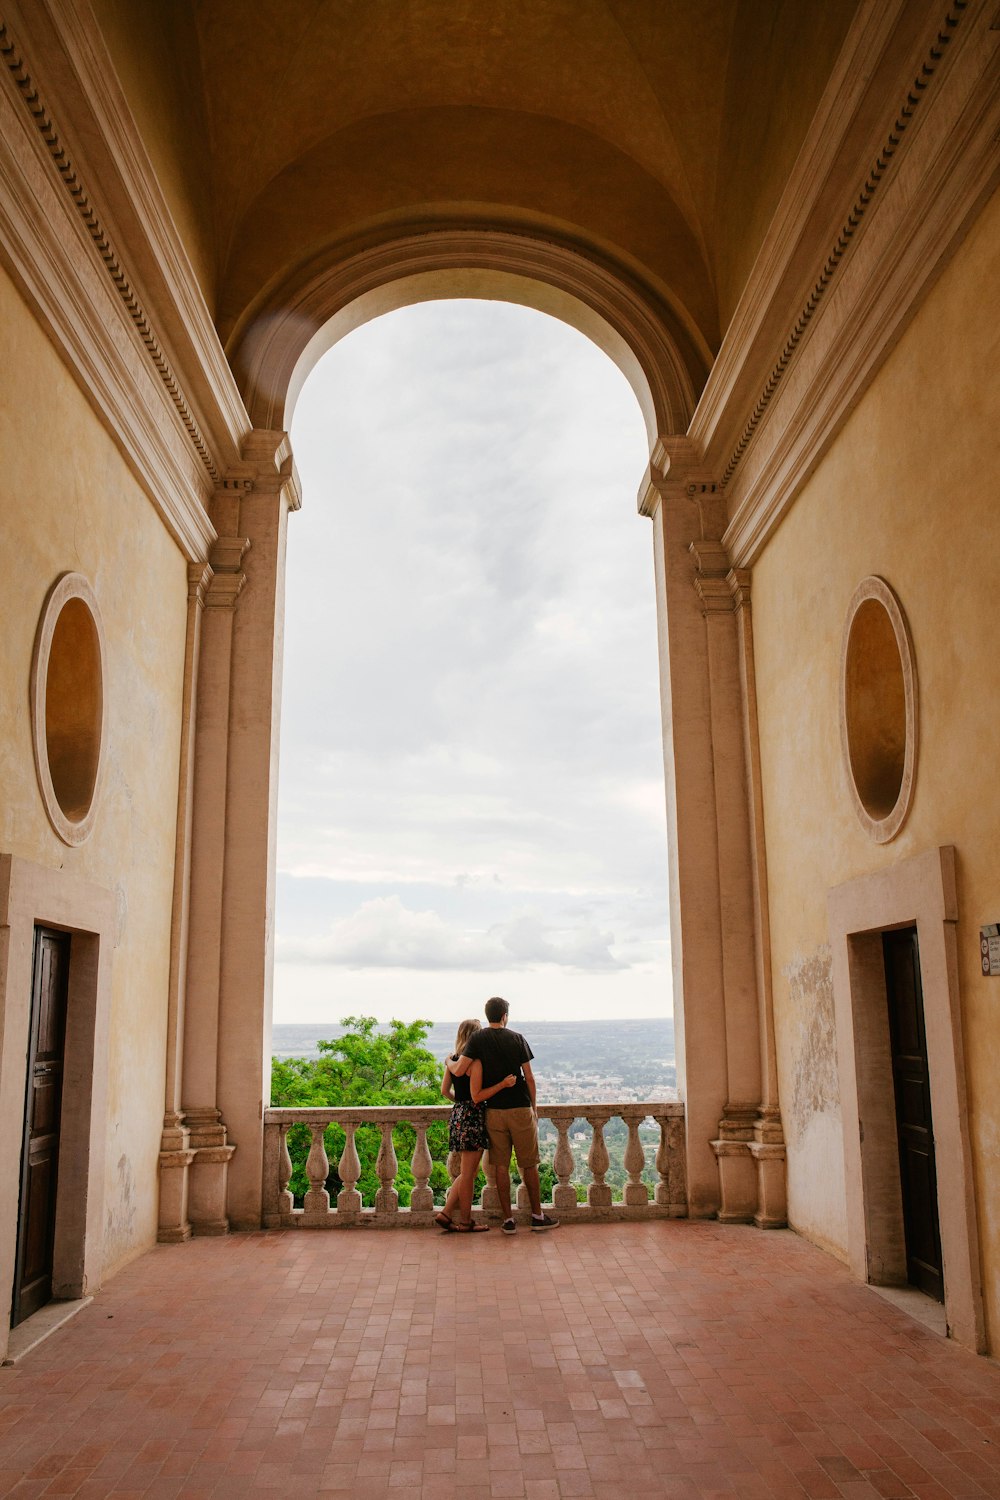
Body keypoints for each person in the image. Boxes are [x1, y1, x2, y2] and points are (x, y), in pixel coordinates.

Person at [463, 996, 559, 1234]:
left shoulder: (477, 1038)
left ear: (488, 1016)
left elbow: (463, 1066)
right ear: (505, 1016)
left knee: (501, 1167)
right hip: (519, 1108)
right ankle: (537, 1216)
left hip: (494, 1110)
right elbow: (530, 1076)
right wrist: (534, 1108)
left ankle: (508, 1220)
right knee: (529, 1165)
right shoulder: (517, 1038)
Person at [435, 1018, 516, 1233]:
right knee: (469, 1174)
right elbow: (477, 1096)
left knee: (466, 1172)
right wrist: (502, 1085)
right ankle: (465, 1221)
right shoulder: (476, 1062)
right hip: (474, 1116)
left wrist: (460, 1105)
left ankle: (445, 1213)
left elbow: (444, 1091)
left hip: (458, 1114)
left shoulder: (452, 1060)